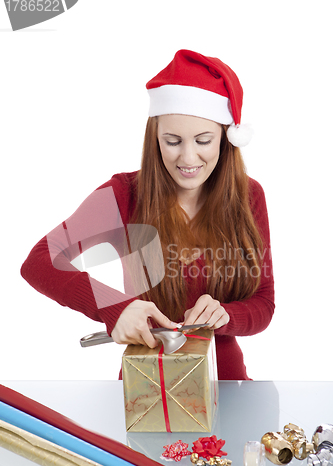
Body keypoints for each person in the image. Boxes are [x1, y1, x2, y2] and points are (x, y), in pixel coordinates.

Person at [21, 50, 274, 380]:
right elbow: (40, 261)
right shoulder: (123, 194)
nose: (188, 157)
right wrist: (115, 307)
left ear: (225, 140)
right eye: (172, 141)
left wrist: (225, 314)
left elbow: (264, 304)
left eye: (203, 140)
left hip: (228, 384)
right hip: (146, 387)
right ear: (155, 139)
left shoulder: (248, 195)